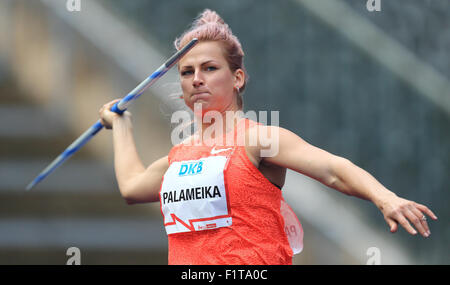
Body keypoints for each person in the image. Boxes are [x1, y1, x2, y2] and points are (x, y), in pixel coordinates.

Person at [99, 9, 437, 265]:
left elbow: (333, 169)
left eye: (210, 68)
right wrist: (122, 126)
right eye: (187, 72)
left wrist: (385, 198)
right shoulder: (178, 157)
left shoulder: (258, 139)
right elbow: (132, 187)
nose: (196, 79)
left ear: (238, 79)